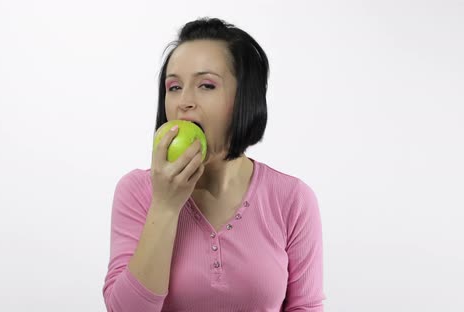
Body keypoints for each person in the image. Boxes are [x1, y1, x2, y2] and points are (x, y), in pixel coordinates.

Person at [103, 17, 325, 311]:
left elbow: (305, 307)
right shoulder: (137, 191)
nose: (184, 102)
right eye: (174, 87)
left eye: (206, 85)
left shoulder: (292, 198)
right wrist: (165, 206)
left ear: (245, 98)